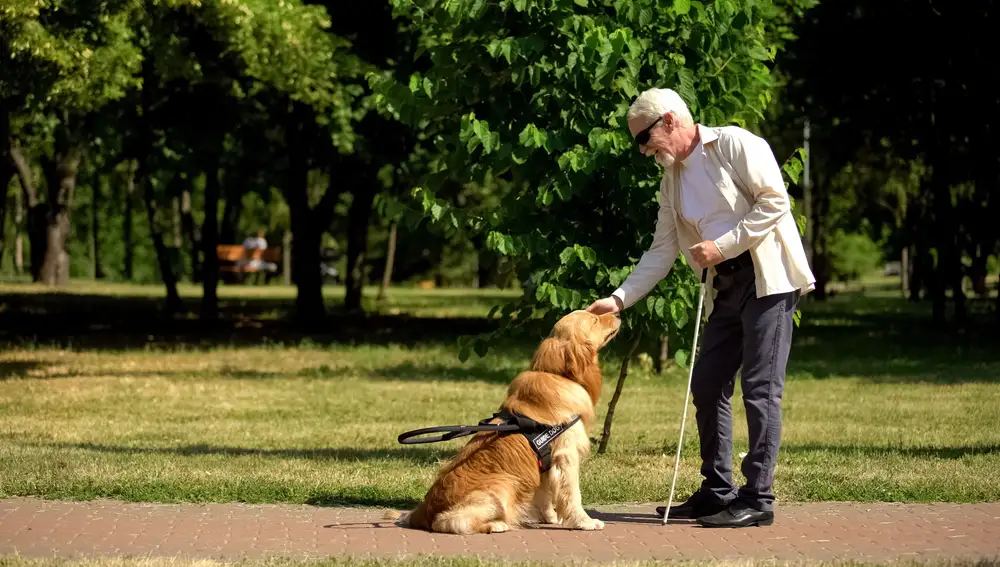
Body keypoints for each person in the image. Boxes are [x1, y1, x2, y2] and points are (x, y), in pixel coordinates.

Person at [586, 88, 815, 528]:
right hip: (723, 288)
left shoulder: (735, 144)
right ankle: (717, 490)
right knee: (707, 383)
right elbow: (663, 249)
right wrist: (617, 299)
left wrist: (723, 245)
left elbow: (775, 202)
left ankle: (758, 498)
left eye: (644, 137)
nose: (643, 149)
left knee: (760, 389)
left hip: (768, 279)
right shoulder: (670, 180)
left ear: (670, 121)